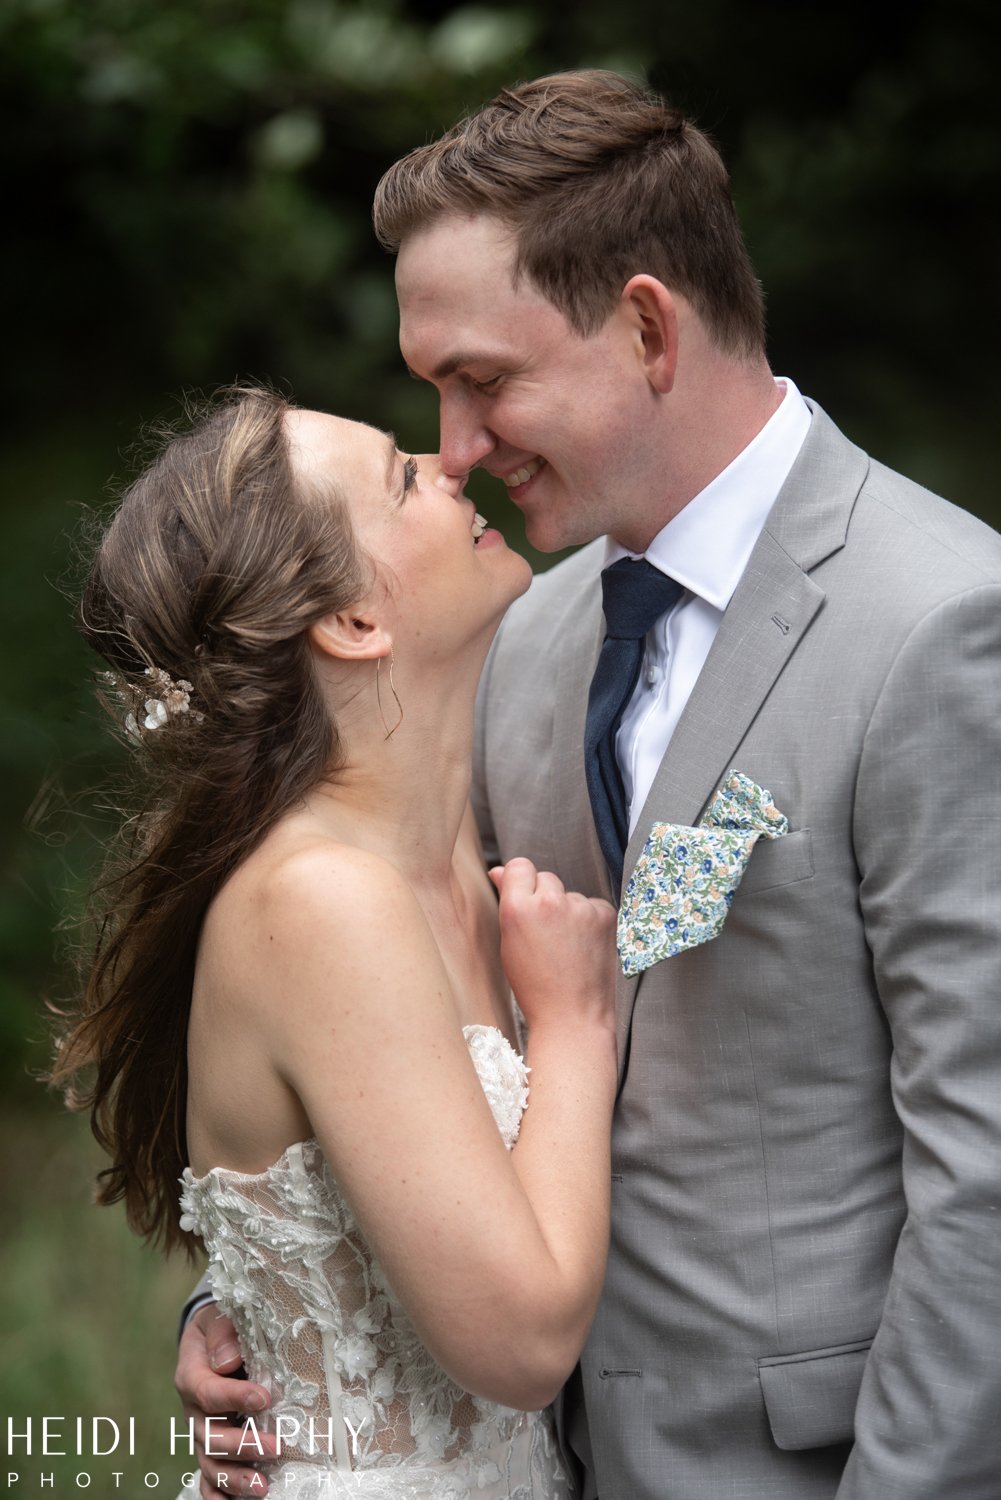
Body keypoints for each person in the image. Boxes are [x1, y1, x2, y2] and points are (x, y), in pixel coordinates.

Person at [176, 71, 1001, 1500]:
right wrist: (260, 1324)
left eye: (482, 380)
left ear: (644, 326)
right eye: (432, 388)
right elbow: (416, 1062)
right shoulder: (526, 635)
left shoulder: (940, 625)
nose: (454, 448)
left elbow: (985, 1182)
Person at [53, 384, 619, 1500]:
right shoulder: (322, 903)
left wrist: (236, 1303)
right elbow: (517, 1343)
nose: (450, 461)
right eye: (402, 477)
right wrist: (573, 1027)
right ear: (352, 621)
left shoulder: (457, 834)